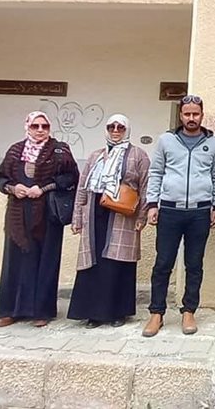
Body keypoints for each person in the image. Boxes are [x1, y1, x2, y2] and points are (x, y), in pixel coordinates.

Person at [143, 94, 215, 337]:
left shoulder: (213, 143)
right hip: (169, 210)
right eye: (187, 114)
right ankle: (156, 313)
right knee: (163, 263)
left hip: (200, 212)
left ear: (202, 115)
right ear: (180, 115)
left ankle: (189, 311)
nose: (191, 118)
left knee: (194, 264)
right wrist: (152, 204)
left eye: (195, 114)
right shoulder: (166, 140)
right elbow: (156, 172)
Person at [0, 111, 79, 328]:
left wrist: (43, 188)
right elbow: (0, 177)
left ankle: (42, 311)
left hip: (47, 214)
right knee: (15, 261)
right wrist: (13, 188)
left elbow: (70, 177)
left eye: (44, 126)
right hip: (18, 214)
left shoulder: (59, 150)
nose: (40, 130)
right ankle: (10, 310)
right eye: (35, 126)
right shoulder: (16, 150)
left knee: (46, 260)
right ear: (28, 127)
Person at [68, 114, 150, 328]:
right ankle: (92, 313)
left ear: (127, 130)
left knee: (117, 262)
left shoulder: (138, 155)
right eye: (111, 127)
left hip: (123, 215)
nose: (115, 130)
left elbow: (146, 187)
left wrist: (142, 216)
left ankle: (117, 312)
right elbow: (82, 187)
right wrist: (77, 217)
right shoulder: (96, 155)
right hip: (94, 214)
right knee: (93, 261)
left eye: (120, 127)